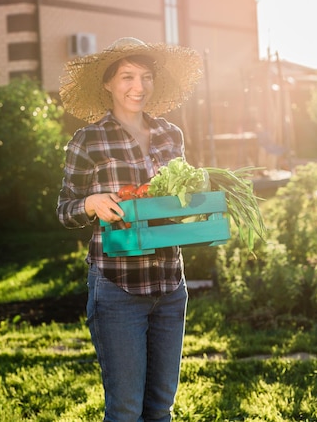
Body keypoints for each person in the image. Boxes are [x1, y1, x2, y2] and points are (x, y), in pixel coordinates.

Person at [56, 37, 202, 422]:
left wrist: (195, 205)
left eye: (146, 77)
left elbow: (178, 200)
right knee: (124, 411)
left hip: (170, 284)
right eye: (127, 76)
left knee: (161, 409)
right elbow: (64, 209)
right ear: (107, 83)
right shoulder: (87, 140)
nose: (138, 86)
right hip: (118, 287)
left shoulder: (172, 135)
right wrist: (90, 203)